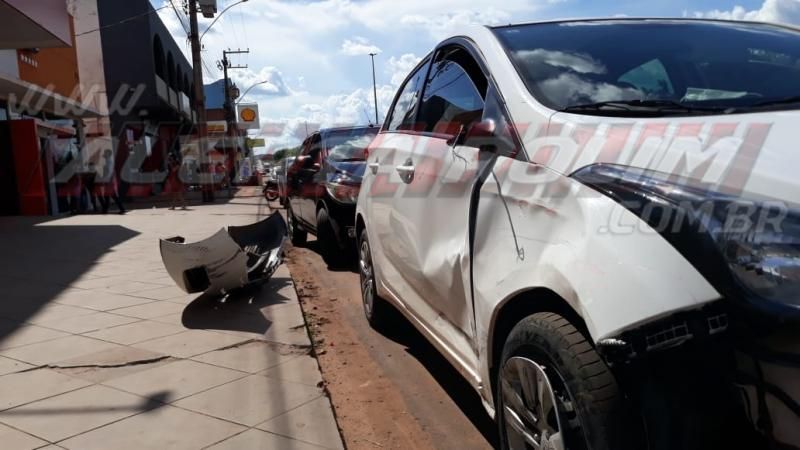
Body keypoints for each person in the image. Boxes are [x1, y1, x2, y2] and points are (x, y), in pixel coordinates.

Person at [97, 149, 126, 214]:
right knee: (108, 196)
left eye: (106, 153)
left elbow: (109, 172)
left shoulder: (109, 162)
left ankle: (121, 209)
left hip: (109, 181)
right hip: (109, 181)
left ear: (108, 154)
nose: (104, 154)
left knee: (112, 196)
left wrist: (105, 179)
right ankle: (105, 209)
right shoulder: (108, 161)